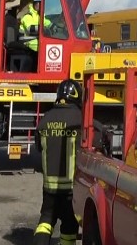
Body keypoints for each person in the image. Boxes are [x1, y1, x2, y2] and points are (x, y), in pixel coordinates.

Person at [33, 79, 89, 245]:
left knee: (45, 221)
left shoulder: (45, 119)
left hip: (49, 188)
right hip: (71, 190)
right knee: (69, 227)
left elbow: (38, 147)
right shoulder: (80, 119)